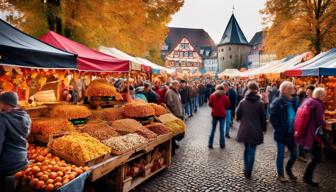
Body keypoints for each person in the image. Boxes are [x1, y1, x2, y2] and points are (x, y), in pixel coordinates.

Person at [0, 92, 31, 191]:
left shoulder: (2, 119)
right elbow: (25, 139)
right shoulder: (26, 116)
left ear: (4, 103)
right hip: (22, 161)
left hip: (7, 165)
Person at [296, 88, 326, 186]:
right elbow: (319, 122)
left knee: (315, 156)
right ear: (321, 95)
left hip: (308, 133)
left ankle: (307, 177)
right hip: (314, 134)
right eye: (324, 95)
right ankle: (307, 177)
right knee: (316, 157)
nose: (325, 97)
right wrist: (324, 122)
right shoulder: (318, 104)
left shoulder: (308, 101)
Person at [236, 81, 267, 179]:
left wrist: (240, 119)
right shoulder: (260, 103)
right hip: (256, 130)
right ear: (257, 90)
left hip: (244, 129)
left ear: (248, 89)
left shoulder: (243, 101)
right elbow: (263, 118)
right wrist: (264, 128)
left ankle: (246, 168)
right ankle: (249, 170)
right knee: (252, 149)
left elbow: (237, 115)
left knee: (246, 149)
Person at [270, 81, 298, 182]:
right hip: (281, 133)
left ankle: (288, 170)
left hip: (291, 133)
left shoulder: (294, 100)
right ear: (284, 90)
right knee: (281, 154)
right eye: (289, 88)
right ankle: (280, 174)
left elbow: (297, 114)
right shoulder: (277, 102)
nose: (292, 90)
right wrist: (279, 128)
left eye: (292, 88)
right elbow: (272, 118)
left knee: (294, 154)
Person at [208, 84, 230, 149]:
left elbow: (210, 104)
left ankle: (210, 143)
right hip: (222, 115)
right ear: (223, 89)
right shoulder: (225, 97)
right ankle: (222, 144)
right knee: (222, 130)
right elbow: (227, 105)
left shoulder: (212, 96)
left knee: (213, 129)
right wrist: (222, 108)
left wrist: (214, 107)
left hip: (215, 114)